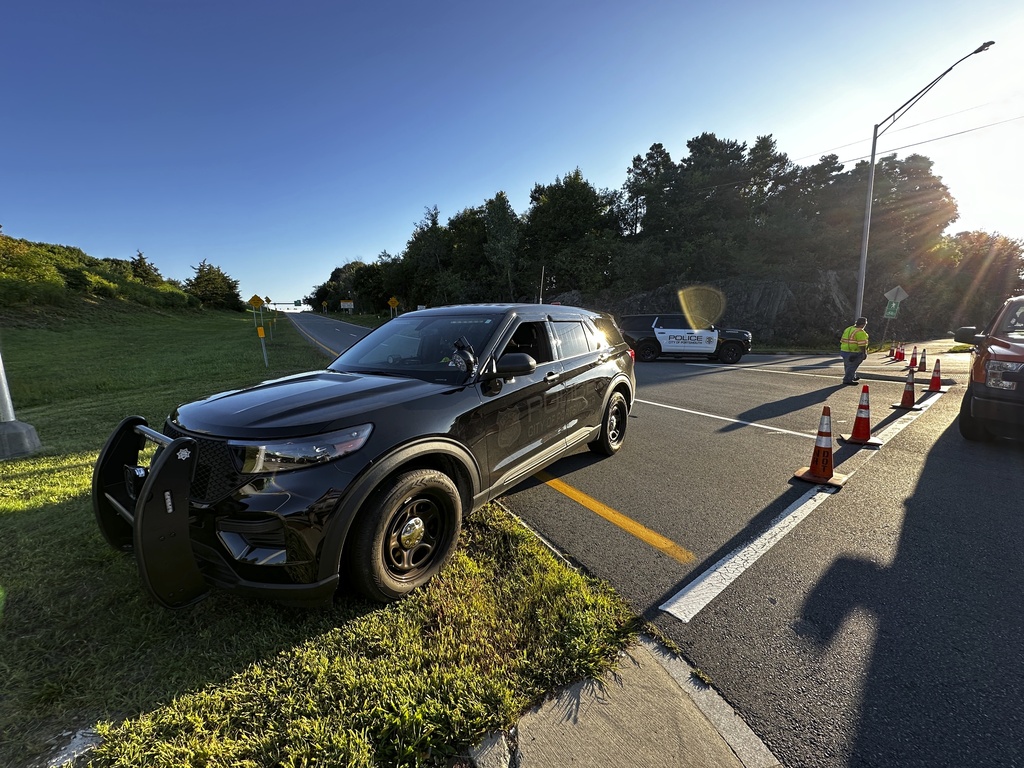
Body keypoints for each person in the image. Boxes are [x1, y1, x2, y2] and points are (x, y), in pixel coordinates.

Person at [840, 317, 869, 385]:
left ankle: (852, 376)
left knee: (847, 365)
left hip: (844, 350)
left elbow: (842, 340)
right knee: (852, 366)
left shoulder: (849, 329)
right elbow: (862, 344)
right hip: (854, 351)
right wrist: (864, 353)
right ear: (863, 324)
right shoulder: (860, 332)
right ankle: (847, 379)